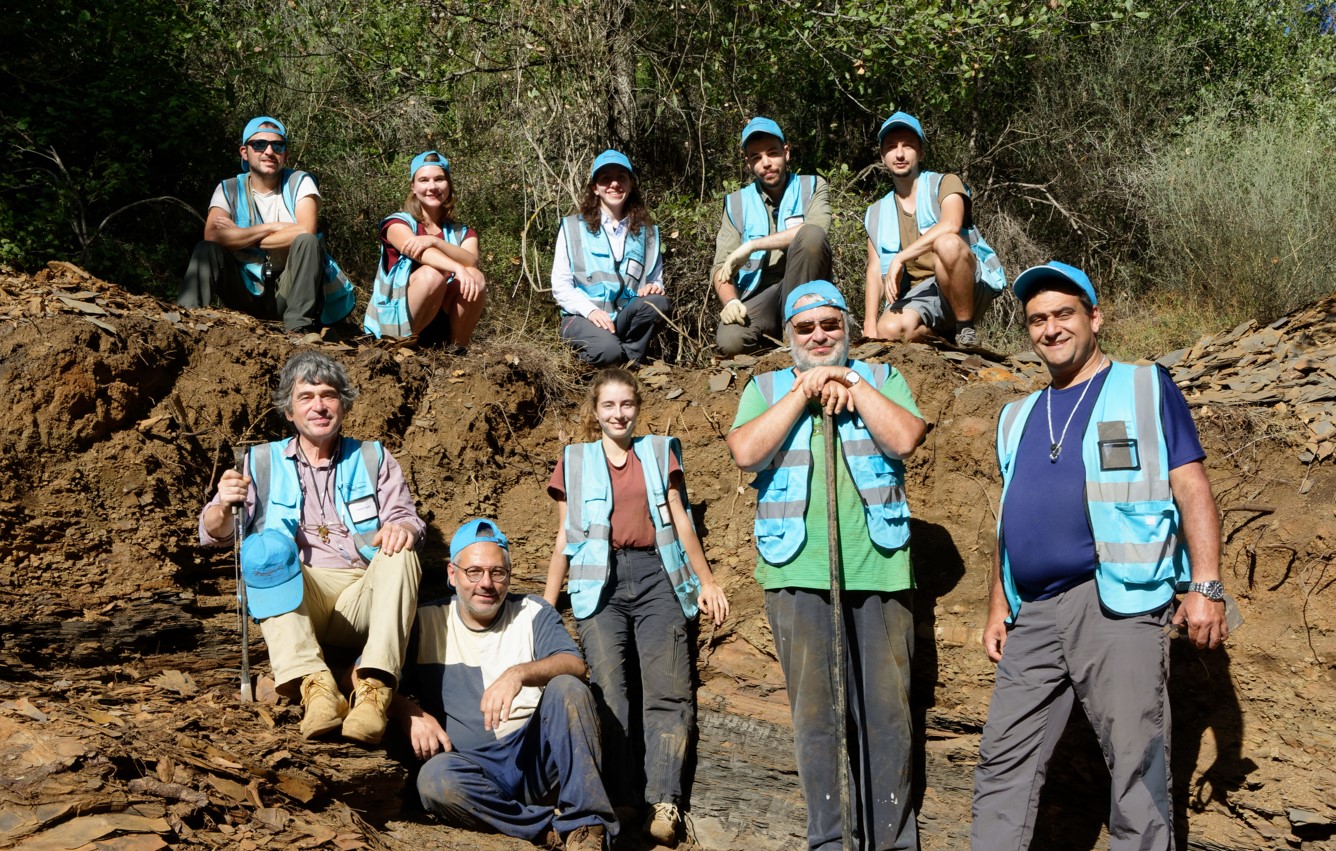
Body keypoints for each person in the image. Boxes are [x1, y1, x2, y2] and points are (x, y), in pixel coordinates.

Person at [970, 262, 1229, 850]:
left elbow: (1191, 487)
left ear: (1094, 317)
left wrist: (1206, 584)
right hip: (1032, 612)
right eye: (1037, 320)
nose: (1050, 329)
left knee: (1135, 768)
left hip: (1118, 603)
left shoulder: (1143, 386)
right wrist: (996, 606)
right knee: (1001, 764)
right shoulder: (1016, 416)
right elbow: (1009, 521)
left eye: (1063, 314)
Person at [726, 280, 927, 850]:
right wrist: (804, 390)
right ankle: (831, 843)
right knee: (818, 723)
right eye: (804, 328)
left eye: (829, 325)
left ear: (849, 328)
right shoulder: (765, 387)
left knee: (888, 721)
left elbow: (907, 438)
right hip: (795, 573)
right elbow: (745, 452)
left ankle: (891, 844)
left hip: (880, 570)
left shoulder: (884, 380)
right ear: (788, 335)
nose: (819, 336)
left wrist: (851, 384)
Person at [543, 368, 730, 847]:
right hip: (598, 584)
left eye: (626, 404)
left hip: (657, 578)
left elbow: (680, 518)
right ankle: (621, 799)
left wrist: (705, 581)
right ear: (595, 411)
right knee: (609, 691)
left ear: (637, 407)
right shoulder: (575, 459)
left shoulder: (657, 451)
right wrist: (546, 604)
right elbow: (564, 535)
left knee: (668, 690)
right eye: (608, 406)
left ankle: (662, 803)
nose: (618, 414)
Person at [198, 351, 423, 745]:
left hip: (364, 593)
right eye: (306, 397)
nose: (319, 406)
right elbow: (215, 533)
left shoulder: (373, 457)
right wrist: (221, 504)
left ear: (343, 404)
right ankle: (317, 690)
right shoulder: (261, 461)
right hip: (300, 594)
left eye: (328, 395)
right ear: (289, 410)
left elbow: (405, 517)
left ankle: (374, 692)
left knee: (402, 551)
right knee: (264, 549)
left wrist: (402, 529)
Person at [393, 519, 615, 851]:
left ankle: (586, 827)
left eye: (498, 573)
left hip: (536, 755)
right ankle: (546, 831)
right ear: (452, 574)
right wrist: (408, 711)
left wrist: (518, 674)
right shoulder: (424, 622)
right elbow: (358, 674)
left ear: (509, 577)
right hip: (474, 767)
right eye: (474, 572)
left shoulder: (532, 612)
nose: (487, 584)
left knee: (568, 688)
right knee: (435, 780)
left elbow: (575, 665)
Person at [178, 116, 355, 344]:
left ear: (286, 154)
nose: (269, 151)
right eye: (259, 144)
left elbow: (306, 230)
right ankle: (184, 320)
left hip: (288, 291)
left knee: (307, 242)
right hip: (244, 289)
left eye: (277, 145)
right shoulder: (228, 189)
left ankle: (298, 329)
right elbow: (213, 236)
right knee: (206, 249)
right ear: (244, 151)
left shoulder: (300, 182)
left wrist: (239, 236)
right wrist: (272, 227)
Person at [862, 111, 1005, 348]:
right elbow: (874, 270)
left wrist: (901, 258)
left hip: (967, 285)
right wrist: (869, 324)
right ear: (882, 155)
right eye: (891, 147)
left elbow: (951, 225)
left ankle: (965, 330)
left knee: (946, 243)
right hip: (922, 295)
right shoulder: (876, 212)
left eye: (908, 146)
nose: (899, 153)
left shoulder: (945, 183)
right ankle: (942, 337)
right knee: (886, 330)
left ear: (921, 152)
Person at [712, 117, 833, 355]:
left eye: (772, 153)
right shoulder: (737, 203)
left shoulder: (813, 186)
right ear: (748, 163)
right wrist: (731, 301)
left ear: (786, 153)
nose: (765, 163)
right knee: (731, 341)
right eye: (756, 157)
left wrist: (753, 245)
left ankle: (806, 328)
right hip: (760, 293)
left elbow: (816, 231)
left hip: (805, 288)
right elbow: (720, 265)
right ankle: (775, 338)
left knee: (810, 235)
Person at [552, 150, 668, 367]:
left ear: (631, 185)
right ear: (595, 188)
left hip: (623, 319)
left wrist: (653, 288)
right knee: (607, 350)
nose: (614, 184)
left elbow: (656, 279)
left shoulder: (648, 233)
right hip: (583, 317)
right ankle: (598, 364)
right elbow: (560, 287)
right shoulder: (572, 228)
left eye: (621, 177)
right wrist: (591, 310)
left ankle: (628, 361)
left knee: (657, 303)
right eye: (606, 178)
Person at [363, 150, 486, 350]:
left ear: (448, 185)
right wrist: (456, 266)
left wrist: (434, 241)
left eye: (439, 179)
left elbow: (471, 261)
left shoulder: (463, 233)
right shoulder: (396, 223)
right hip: (396, 321)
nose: (432, 187)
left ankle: (457, 351)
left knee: (476, 277)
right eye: (424, 180)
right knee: (432, 275)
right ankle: (400, 347)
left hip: (438, 323)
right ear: (413, 186)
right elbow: (416, 251)